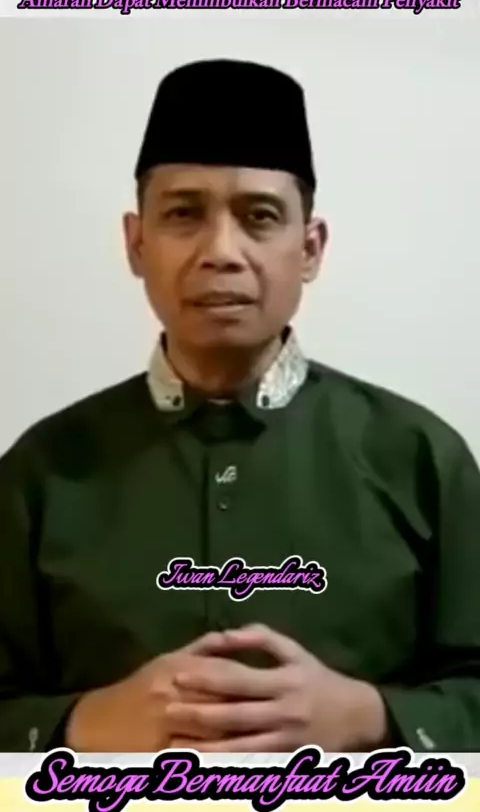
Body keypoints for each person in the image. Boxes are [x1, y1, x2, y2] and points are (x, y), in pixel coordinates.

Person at [1, 58, 480, 755]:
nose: (221, 252)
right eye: (183, 214)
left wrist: (371, 717)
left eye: (259, 217)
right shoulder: (39, 474)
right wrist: (81, 725)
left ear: (309, 248)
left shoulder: (421, 460)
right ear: (136, 243)